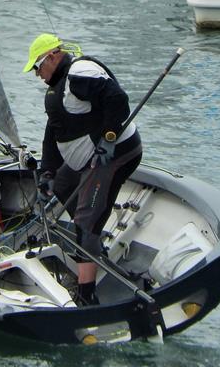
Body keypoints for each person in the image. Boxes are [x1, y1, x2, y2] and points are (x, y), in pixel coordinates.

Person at [24, 33, 143, 308]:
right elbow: (52, 135)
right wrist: (47, 173)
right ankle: (90, 247)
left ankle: (87, 295)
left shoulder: (79, 73)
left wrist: (109, 138)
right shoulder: (56, 90)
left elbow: (118, 100)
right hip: (83, 161)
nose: (37, 74)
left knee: (86, 220)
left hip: (112, 156)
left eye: (38, 67)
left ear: (53, 56)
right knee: (63, 188)